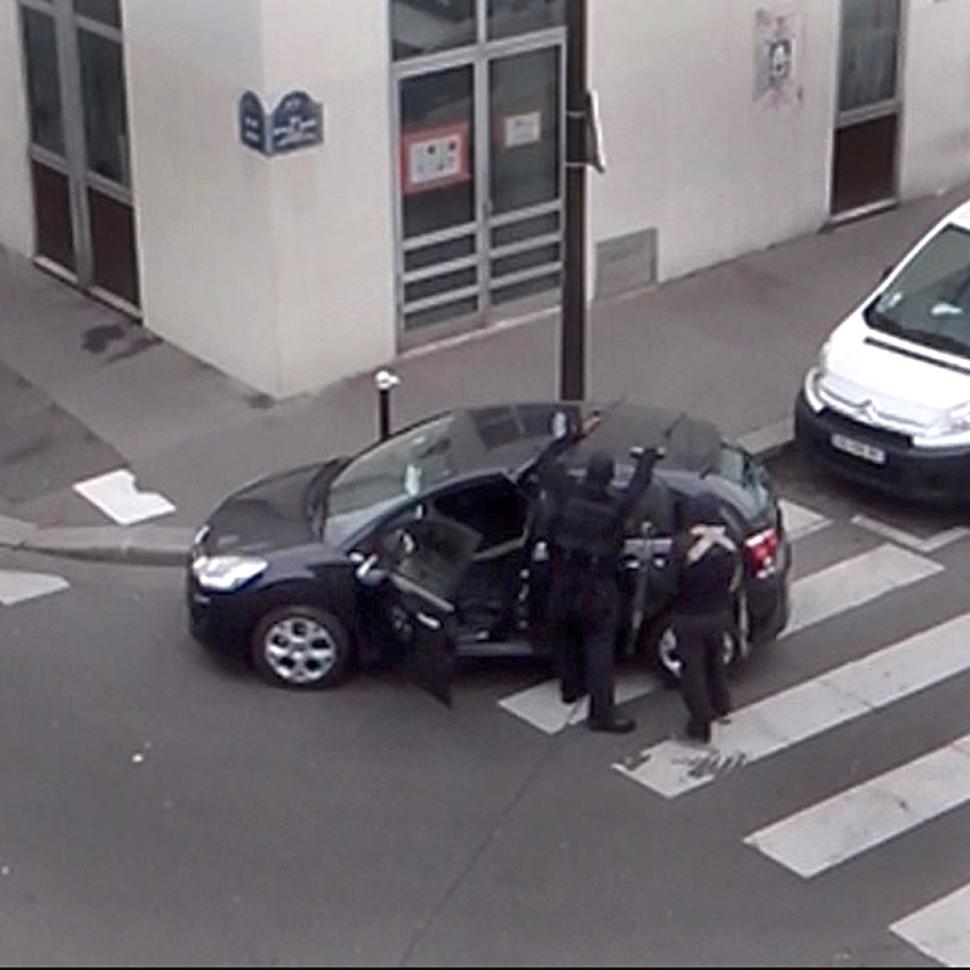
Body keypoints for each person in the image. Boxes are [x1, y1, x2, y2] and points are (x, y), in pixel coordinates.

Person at [535, 414, 662, 734]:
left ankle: (570, 687)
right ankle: (601, 714)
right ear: (607, 480)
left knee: (564, 634)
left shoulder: (565, 493)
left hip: (563, 579)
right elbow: (637, 488)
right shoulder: (614, 508)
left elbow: (544, 463)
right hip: (596, 587)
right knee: (599, 648)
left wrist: (575, 436)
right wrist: (647, 459)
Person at [667, 492, 743, 744]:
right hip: (719, 613)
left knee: (693, 671)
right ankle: (721, 703)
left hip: (688, 616)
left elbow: (667, 584)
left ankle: (700, 723)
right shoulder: (730, 543)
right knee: (715, 661)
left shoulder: (682, 546)